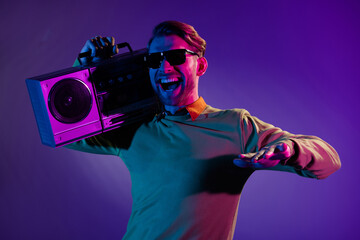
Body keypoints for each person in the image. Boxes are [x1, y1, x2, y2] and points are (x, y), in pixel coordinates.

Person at [67, 21, 341, 239]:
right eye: (154, 60)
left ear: (201, 65)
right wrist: (84, 69)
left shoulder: (235, 125)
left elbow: (329, 161)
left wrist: (291, 150)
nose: (164, 66)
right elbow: (65, 132)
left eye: (175, 56)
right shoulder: (135, 128)